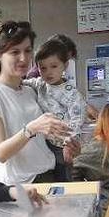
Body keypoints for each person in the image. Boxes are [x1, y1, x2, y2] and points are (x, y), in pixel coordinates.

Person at [0, 20, 71, 185]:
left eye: (28, 50)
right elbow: (0, 153)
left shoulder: (29, 90)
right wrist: (31, 128)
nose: (23, 58)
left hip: (51, 176)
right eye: (14, 52)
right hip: (23, 186)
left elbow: (41, 140)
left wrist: (67, 143)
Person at [22, 37, 88, 181]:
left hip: (64, 146)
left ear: (64, 65)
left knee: (66, 178)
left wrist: (68, 145)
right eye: (43, 68)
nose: (48, 72)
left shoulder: (72, 94)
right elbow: (20, 82)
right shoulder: (39, 84)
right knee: (53, 179)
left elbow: (77, 121)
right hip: (45, 144)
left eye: (54, 66)